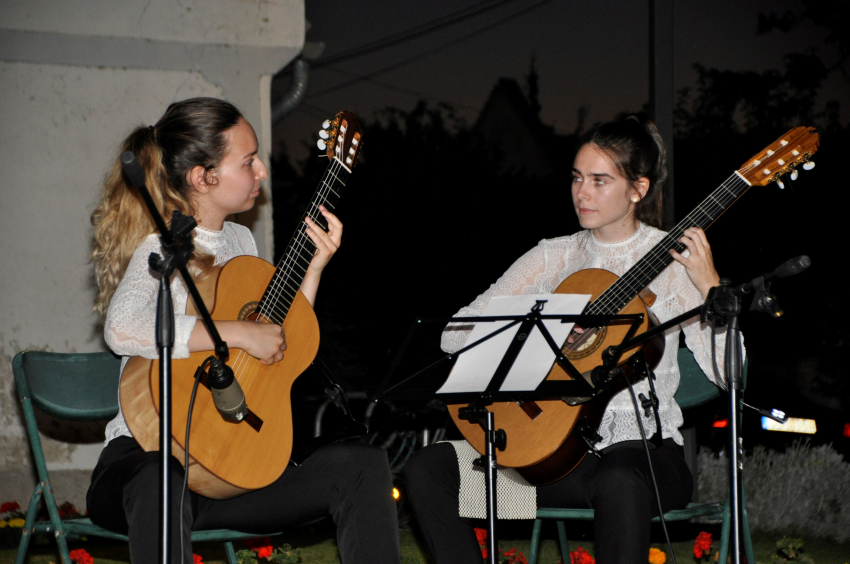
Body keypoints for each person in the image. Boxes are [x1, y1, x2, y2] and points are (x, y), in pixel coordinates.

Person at [404, 115, 734, 564]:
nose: (582, 193)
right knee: (427, 469)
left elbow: (728, 372)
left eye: (600, 181)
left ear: (638, 188)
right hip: (547, 461)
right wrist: (536, 326)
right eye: (578, 178)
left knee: (617, 480)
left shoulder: (677, 263)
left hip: (644, 460)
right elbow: (454, 334)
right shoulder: (552, 256)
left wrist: (708, 284)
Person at [87, 97, 400, 564]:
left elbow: (276, 344)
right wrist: (235, 333)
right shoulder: (163, 244)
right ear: (202, 177)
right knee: (162, 476)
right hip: (144, 464)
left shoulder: (241, 242)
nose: (262, 172)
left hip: (228, 473)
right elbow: (123, 327)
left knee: (363, 465)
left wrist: (311, 271)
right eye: (248, 160)